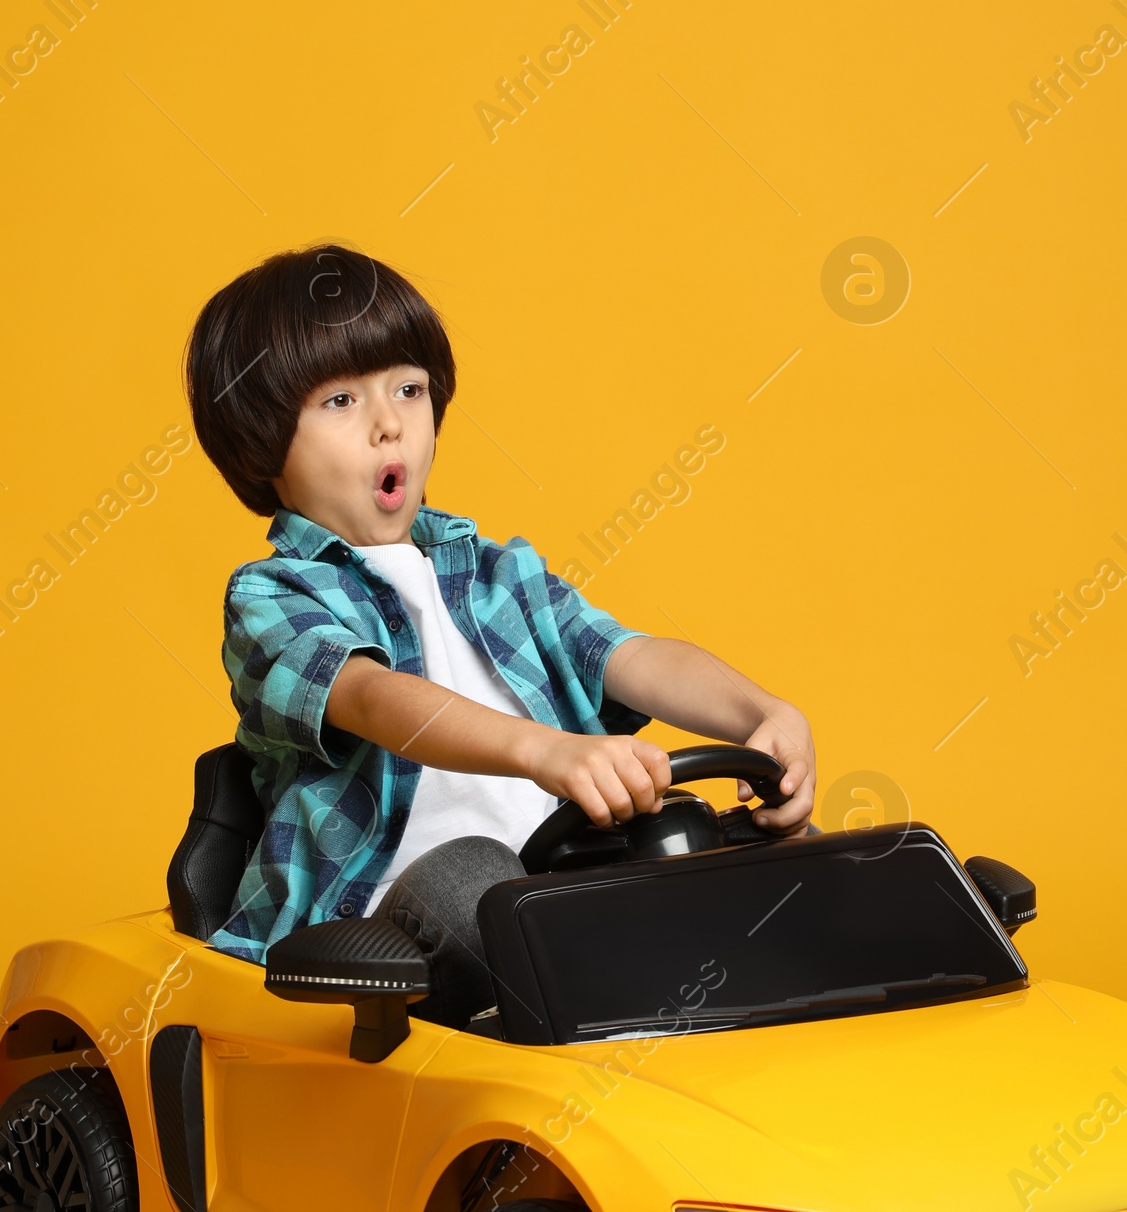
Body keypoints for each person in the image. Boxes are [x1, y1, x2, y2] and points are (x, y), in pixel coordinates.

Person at [184, 244, 815, 1014]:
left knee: (760, 860)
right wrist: (546, 751)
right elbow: (375, 699)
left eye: (408, 389)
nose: (389, 425)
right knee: (475, 879)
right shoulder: (275, 596)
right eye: (341, 402)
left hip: (564, 891)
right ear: (261, 440)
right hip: (387, 928)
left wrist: (762, 715)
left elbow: (630, 655)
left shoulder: (498, 576)